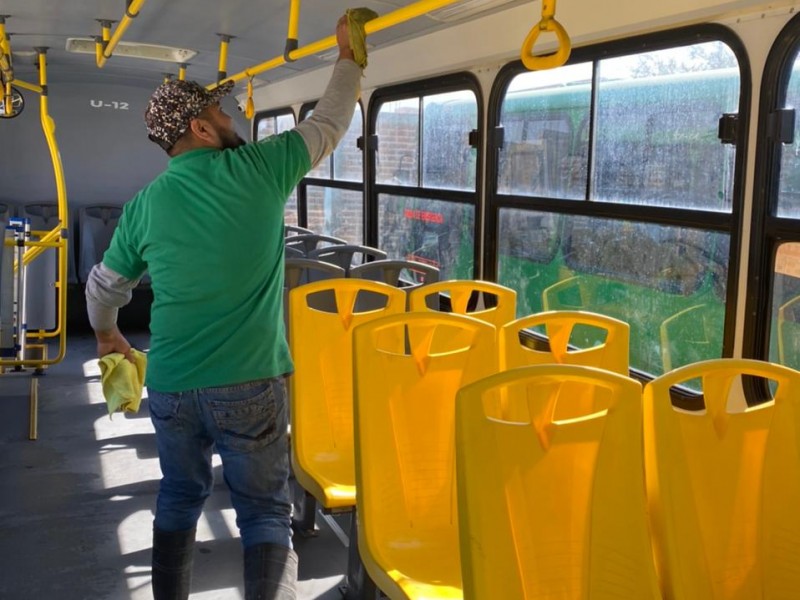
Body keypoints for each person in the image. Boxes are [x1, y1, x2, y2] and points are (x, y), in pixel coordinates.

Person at [85, 15, 362, 600]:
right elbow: (332, 121)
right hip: (250, 382)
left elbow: (104, 287)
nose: (232, 120)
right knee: (264, 513)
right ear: (200, 128)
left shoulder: (145, 204)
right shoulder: (261, 169)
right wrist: (349, 58)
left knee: (178, 498)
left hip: (172, 383)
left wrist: (108, 336)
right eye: (221, 114)